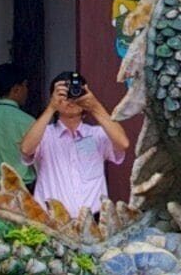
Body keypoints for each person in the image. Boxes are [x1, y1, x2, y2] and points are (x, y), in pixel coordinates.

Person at [25, 70, 127, 216]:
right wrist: (51, 107)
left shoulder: (97, 134)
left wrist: (95, 106)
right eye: (64, 94)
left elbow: (123, 143)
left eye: (76, 92)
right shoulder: (45, 134)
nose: (71, 99)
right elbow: (26, 149)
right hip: (51, 220)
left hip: (93, 221)